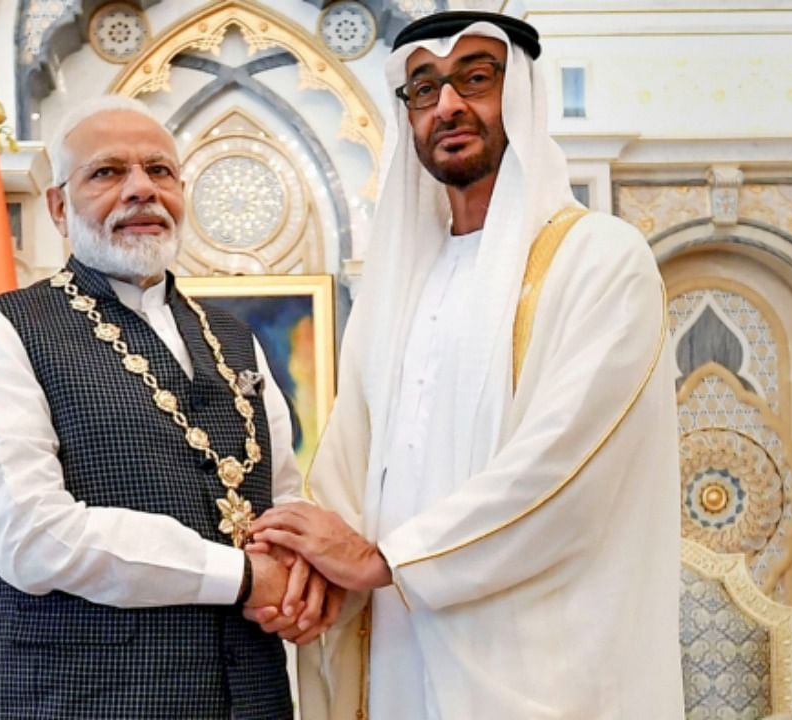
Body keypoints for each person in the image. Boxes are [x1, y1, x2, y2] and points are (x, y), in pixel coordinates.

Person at [248, 11, 685, 719]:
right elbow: (345, 464)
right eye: (423, 88)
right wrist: (311, 574)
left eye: (475, 78)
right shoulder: (398, 286)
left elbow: (563, 467)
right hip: (396, 655)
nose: (448, 103)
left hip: (539, 667)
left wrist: (388, 560)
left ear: (521, 96)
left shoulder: (599, 260)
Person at [0, 95, 333, 719]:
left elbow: (280, 494)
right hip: (79, 702)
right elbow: (32, 537)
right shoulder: (4, 329)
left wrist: (301, 569)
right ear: (59, 208)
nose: (140, 190)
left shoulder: (233, 336)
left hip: (250, 698)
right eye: (106, 172)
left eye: (160, 171)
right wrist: (238, 576)